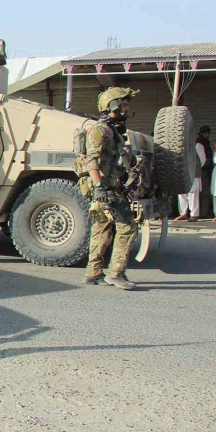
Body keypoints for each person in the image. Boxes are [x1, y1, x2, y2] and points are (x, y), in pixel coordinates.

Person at [82, 87, 139, 290]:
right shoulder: (101, 130)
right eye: (123, 103)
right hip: (106, 190)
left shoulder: (113, 129)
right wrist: (99, 187)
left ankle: (93, 272)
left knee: (102, 229)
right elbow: (92, 160)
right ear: (111, 105)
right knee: (128, 228)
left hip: (111, 188)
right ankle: (116, 273)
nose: (127, 107)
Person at [176, 136, 207, 221]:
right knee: (182, 193)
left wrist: (196, 168)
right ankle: (183, 213)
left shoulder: (197, 145)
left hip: (194, 173)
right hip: (183, 172)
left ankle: (194, 214)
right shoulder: (180, 146)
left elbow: (202, 160)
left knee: (193, 194)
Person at [196, 126, 214, 217]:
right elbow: (202, 160)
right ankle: (202, 213)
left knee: (204, 193)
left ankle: (203, 212)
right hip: (203, 171)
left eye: (207, 133)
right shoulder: (200, 143)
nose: (206, 135)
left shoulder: (205, 142)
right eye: (205, 133)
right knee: (204, 193)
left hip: (206, 170)